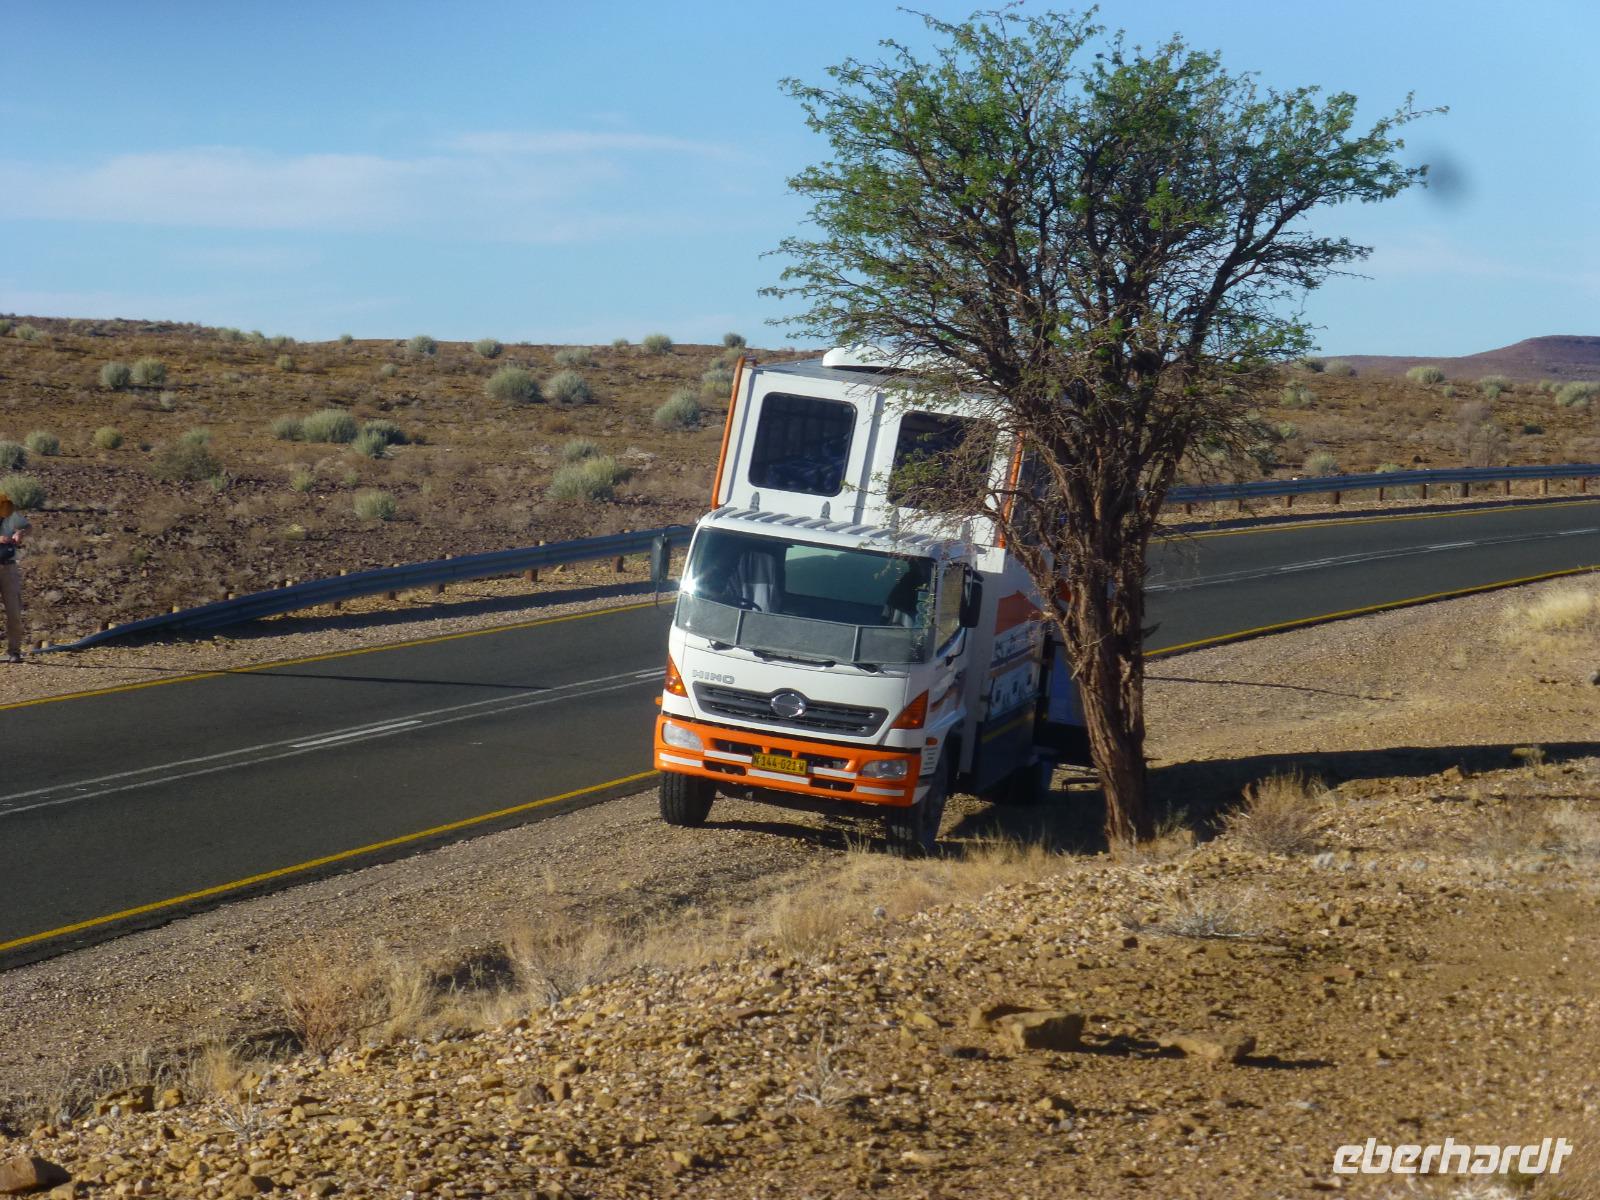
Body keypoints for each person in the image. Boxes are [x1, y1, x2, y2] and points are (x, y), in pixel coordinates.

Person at [0, 490, 29, 663]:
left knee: (14, 612)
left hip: (9, 569)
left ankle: (14, 651)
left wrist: (20, 533)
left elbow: (27, 526)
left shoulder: (10, 513)